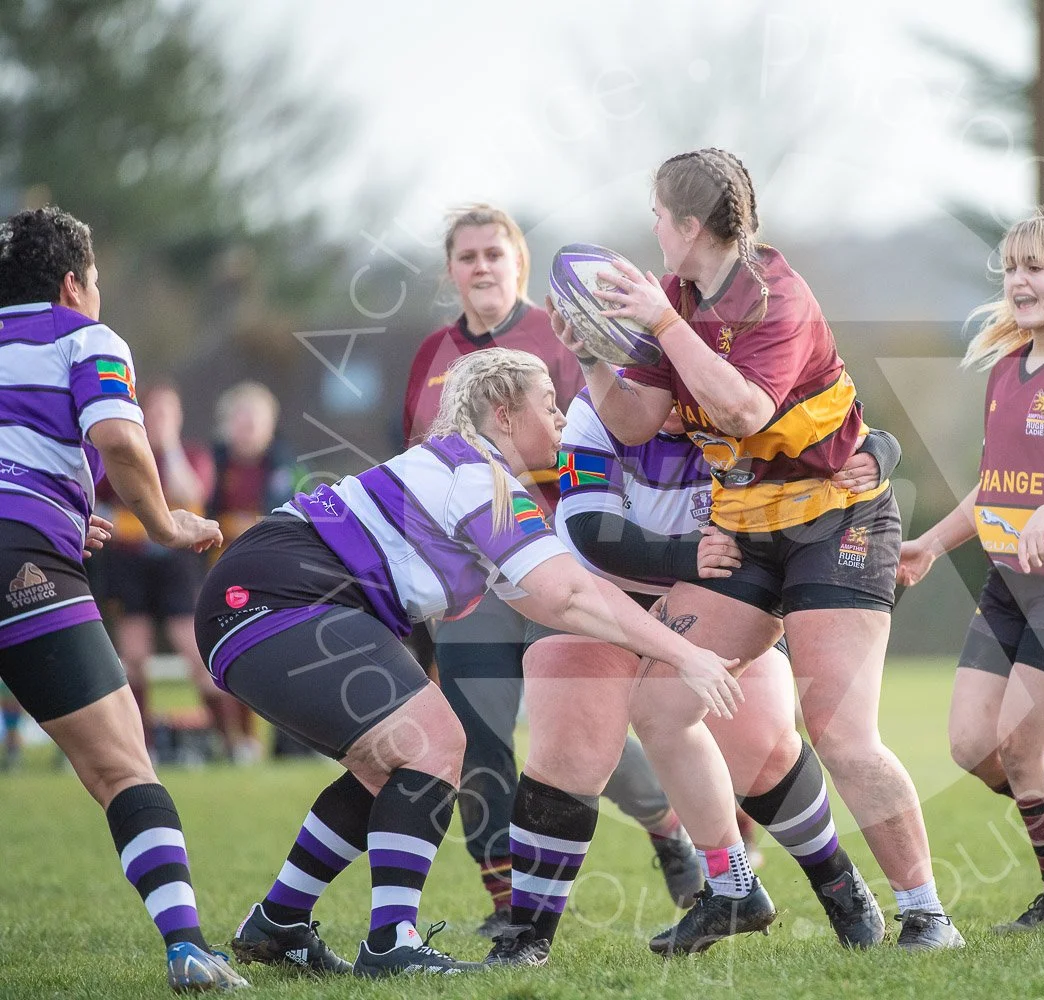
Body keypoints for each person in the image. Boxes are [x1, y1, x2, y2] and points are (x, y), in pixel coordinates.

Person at [202, 348, 744, 977]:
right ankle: (391, 945)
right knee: (435, 743)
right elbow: (570, 594)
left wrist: (661, 643)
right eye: (549, 404)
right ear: (504, 413)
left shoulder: (472, 474)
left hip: (267, 593)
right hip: (277, 595)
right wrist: (686, 654)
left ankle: (279, 921)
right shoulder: (477, 475)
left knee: (391, 763)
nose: (562, 419)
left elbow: (552, 599)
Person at [552, 147, 963, 950]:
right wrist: (595, 353)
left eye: (657, 216)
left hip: (837, 520)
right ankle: (734, 888)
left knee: (840, 734)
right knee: (662, 703)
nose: (652, 231)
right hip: (746, 528)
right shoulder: (674, 297)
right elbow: (635, 423)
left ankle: (927, 915)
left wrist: (662, 325)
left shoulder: (776, 294)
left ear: (688, 225)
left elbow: (744, 410)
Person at [403, 204, 698, 937]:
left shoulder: (565, 338)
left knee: (579, 732)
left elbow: (616, 433)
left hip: (553, 566)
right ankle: (509, 904)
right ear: (451, 270)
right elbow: (416, 462)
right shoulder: (432, 354)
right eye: (467, 255)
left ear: (519, 264)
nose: (481, 266)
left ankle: (668, 829)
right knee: (477, 736)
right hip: (469, 581)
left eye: (493, 253)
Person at [544, 386, 901, 950]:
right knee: (571, 750)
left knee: (762, 748)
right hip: (612, 596)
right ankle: (524, 934)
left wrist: (879, 450)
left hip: (725, 592)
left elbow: (839, 436)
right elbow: (591, 532)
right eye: (646, 385)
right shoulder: (598, 406)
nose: (662, 405)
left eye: (671, 390)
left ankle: (836, 881)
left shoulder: (728, 392)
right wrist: (689, 554)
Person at [0, 206, 244, 991]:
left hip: (31, 534)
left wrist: (63, 510)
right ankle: (187, 949)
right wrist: (165, 523)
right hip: (23, 561)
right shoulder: (86, 337)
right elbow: (119, 438)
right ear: (74, 284)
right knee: (123, 769)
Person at [896, 210, 1044, 933]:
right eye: (1010, 269)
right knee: (973, 747)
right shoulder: (1005, 368)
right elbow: (994, 490)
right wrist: (930, 544)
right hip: (1008, 586)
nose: (1019, 282)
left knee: (1023, 751)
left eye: (1035, 268)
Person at [95, 383, 240, 762]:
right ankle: (142, 746)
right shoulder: (125, 453)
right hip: (129, 563)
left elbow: (192, 492)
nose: (159, 420)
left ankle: (230, 742)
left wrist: (170, 446)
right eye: (153, 412)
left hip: (178, 564)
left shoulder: (192, 455)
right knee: (134, 655)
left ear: (178, 417)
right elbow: (100, 498)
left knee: (193, 649)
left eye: (167, 412)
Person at [206, 381, 303, 758]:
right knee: (226, 654)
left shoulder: (286, 467)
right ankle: (233, 741)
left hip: (271, 574)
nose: (246, 427)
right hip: (217, 571)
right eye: (240, 418)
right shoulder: (213, 464)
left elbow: (290, 519)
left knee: (275, 654)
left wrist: (242, 525)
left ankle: (290, 741)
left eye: (255, 419)